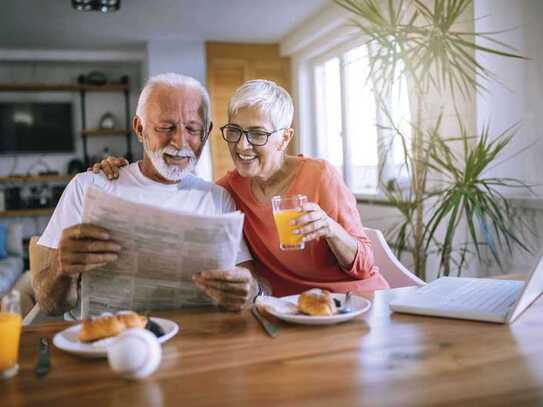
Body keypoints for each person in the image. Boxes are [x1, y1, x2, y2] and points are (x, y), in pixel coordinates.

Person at [92, 79, 389, 296]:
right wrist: (119, 169)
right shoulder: (227, 191)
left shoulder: (320, 175)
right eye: (234, 131)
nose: (241, 145)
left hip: (354, 303)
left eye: (257, 134)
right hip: (289, 313)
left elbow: (364, 265)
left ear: (284, 138)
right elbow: (170, 188)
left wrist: (330, 228)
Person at [33, 73, 260, 317]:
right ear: (139, 128)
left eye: (193, 129)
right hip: (106, 343)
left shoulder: (218, 198)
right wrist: (61, 268)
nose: (180, 141)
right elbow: (50, 306)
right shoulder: (88, 186)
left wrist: (248, 289)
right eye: (166, 127)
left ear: (206, 133)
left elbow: (249, 285)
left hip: (194, 341)